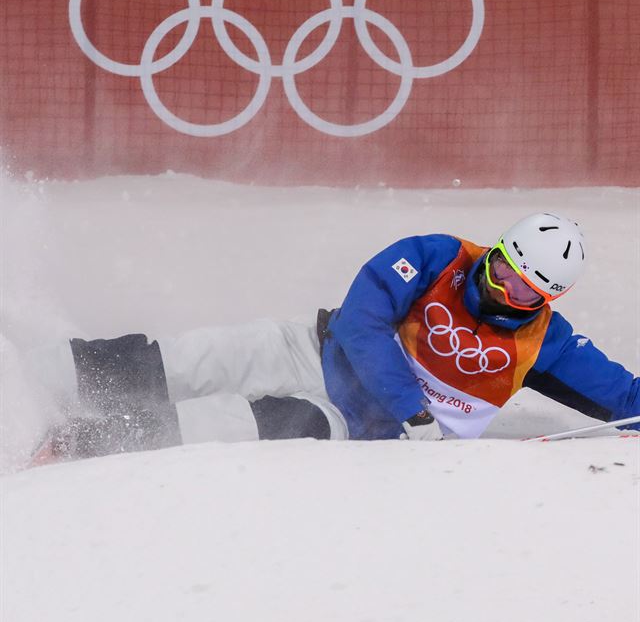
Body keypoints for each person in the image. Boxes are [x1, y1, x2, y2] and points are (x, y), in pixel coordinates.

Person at [29, 212, 640, 464]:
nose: (502, 284)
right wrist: (412, 405)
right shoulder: (436, 257)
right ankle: (40, 376)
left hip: (354, 423)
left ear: (547, 299)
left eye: (526, 288)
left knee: (228, 425)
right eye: (503, 263)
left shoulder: (546, 344)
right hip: (312, 346)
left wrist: (400, 418)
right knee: (194, 359)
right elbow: (360, 319)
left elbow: (620, 397)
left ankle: (82, 444)